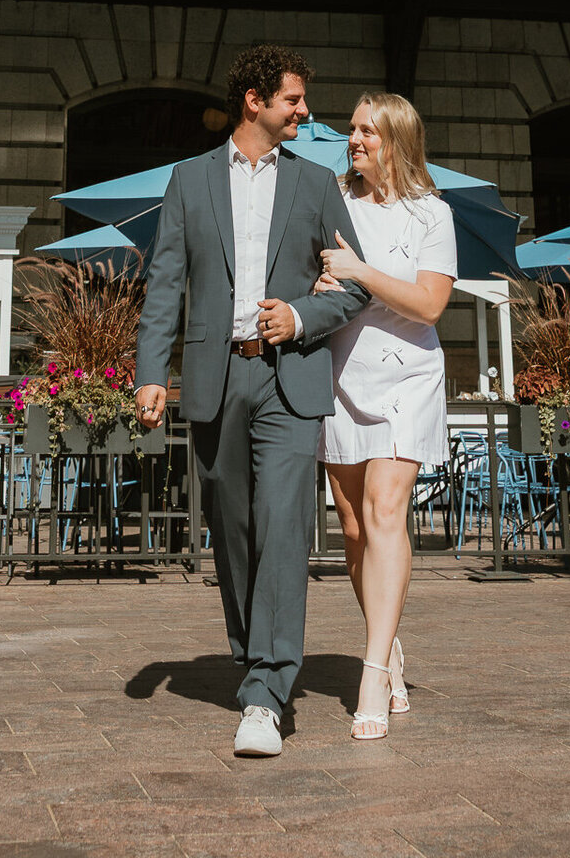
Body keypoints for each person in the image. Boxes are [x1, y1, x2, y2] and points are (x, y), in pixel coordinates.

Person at [135, 45, 369, 760]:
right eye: (293, 99)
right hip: (215, 379)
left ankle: (267, 691)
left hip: (291, 380)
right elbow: (166, 281)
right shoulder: (189, 180)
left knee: (283, 526)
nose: (304, 111)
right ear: (255, 102)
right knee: (231, 528)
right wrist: (151, 371)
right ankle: (253, 645)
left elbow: (354, 284)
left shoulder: (318, 184)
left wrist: (299, 317)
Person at [315, 93, 457, 742]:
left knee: (383, 511)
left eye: (366, 130)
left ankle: (372, 669)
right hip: (343, 374)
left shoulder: (432, 214)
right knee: (350, 527)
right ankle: (390, 643)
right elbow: (312, 276)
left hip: (408, 375)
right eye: (351, 129)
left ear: (396, 140)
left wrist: (360, 272)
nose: (354, 139)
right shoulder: (333, 205)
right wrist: (314, 286)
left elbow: (428, 306)